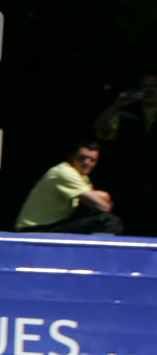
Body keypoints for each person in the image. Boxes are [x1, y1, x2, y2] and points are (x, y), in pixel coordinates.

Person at [93, 74, 157, 235]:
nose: (148, 91)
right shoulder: (126, 113)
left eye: (153, 87)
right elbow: (100, 128)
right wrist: (118, 104)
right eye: (144, 87)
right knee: (133, 228)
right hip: (131, 183)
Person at [15, 143, 123, 234]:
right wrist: (105, 198)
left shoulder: (82, 178)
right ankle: (97, 256)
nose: (87, 163)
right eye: (82, 158)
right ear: (71, 156)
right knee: (108, 221)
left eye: (92, 160)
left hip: (54, 225)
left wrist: (103, 196)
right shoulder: (64, 172)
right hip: (35, 230)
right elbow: (102, 207)